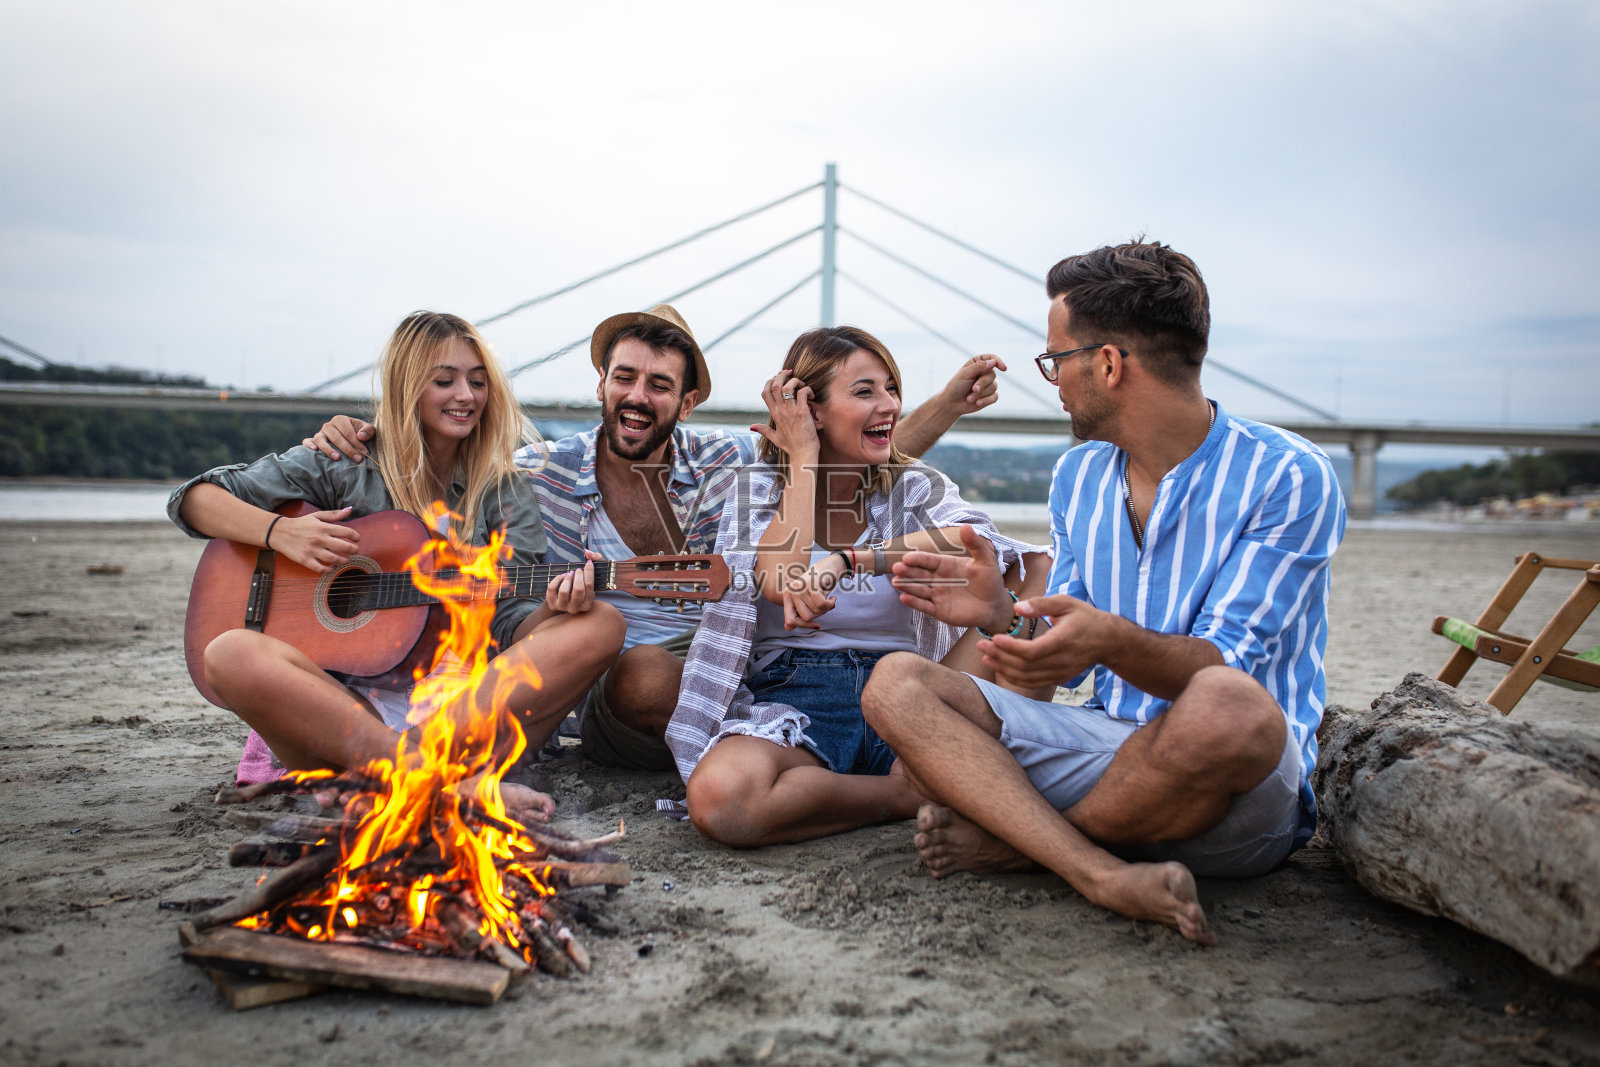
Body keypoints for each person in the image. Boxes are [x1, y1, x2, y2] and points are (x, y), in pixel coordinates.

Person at [862, 241, 1347, 945]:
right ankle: (1096, 867)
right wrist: (1002, 614)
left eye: (1056, 359)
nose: (1053, 380)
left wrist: (1112, 639)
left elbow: (1224, 668)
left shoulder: (1288, 475)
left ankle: (1022, 848)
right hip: (1109, 748)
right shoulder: (1080, 476)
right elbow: (1066, 657)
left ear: (1109, 364)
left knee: (1229, 703)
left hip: (1234, 789)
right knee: (897, 686)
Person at [308, 304, 1007, 773]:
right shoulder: (539, 474)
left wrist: (943, 403)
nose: (638, 395)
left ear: (688, 400)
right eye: (625, 377)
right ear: (603, 383)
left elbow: (848, 457)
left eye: (660, 384)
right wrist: (353, 439)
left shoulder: (728, 461)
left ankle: (821, 743)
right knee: (637, 666)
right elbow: (442, 472)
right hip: (623, 684)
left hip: (728, 664)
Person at [169, 311, 626, 820]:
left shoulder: (502, 486)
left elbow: (512, 621)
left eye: (478, 382)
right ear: (408, 385)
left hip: (461, 714)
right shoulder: (344, 461)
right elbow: (194, 499)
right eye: (444, 380)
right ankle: (438, 786)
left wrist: (557, 608)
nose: (466, 396)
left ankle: (399, 783)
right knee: (229, 653)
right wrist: (282, 533)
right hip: (348, 717)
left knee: (601, 624)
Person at [667, 325, 1048, 846]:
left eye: (891, 388)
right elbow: (781, 580)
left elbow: (976, 541)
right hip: (800, 697)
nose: (889, 404)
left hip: (912, 693)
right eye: (865, 391)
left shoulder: (912, 487)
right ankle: (905, 794)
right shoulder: (755, 488)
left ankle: (901, 776)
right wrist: (803, 458)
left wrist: (850, 560)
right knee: (723, 796)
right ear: (810, 409)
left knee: (1031, 572)